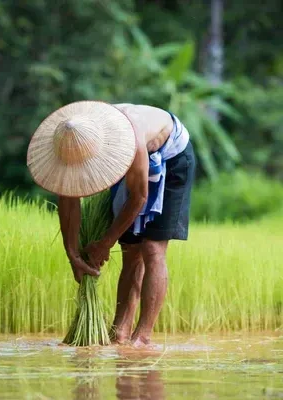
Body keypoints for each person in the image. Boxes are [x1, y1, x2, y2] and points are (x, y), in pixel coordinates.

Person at [27, 101, 196, 347]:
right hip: (129, 161)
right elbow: (69, 202)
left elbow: (139, 197)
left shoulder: (130, 134)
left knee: (151, 248)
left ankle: (142, 337)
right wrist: (73, 255)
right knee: (130, 250)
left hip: (172, 157)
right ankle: (120, 334)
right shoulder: (70, 143)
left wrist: (105, 243)